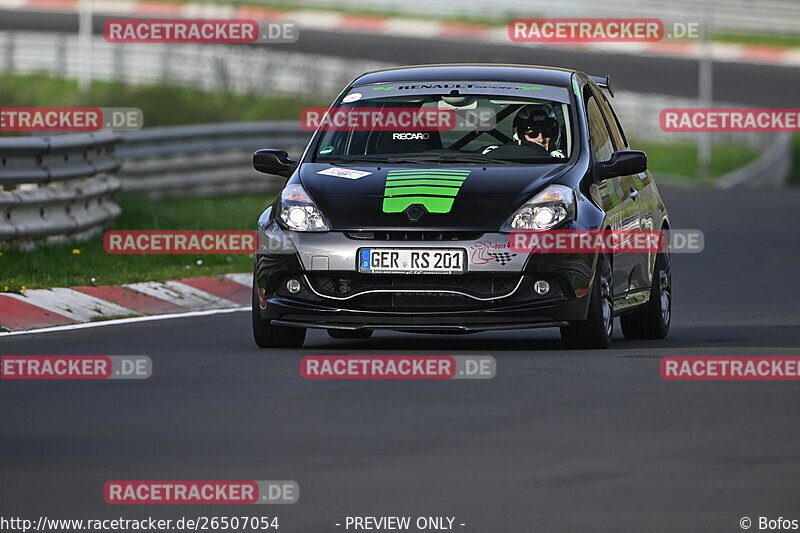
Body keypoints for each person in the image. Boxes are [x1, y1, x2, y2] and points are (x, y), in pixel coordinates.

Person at [483, 105, 565, 158]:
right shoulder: (495, 154)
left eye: (547, 133)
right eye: (533, 134)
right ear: (520, 136)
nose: (541, 139)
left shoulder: (567, 160)